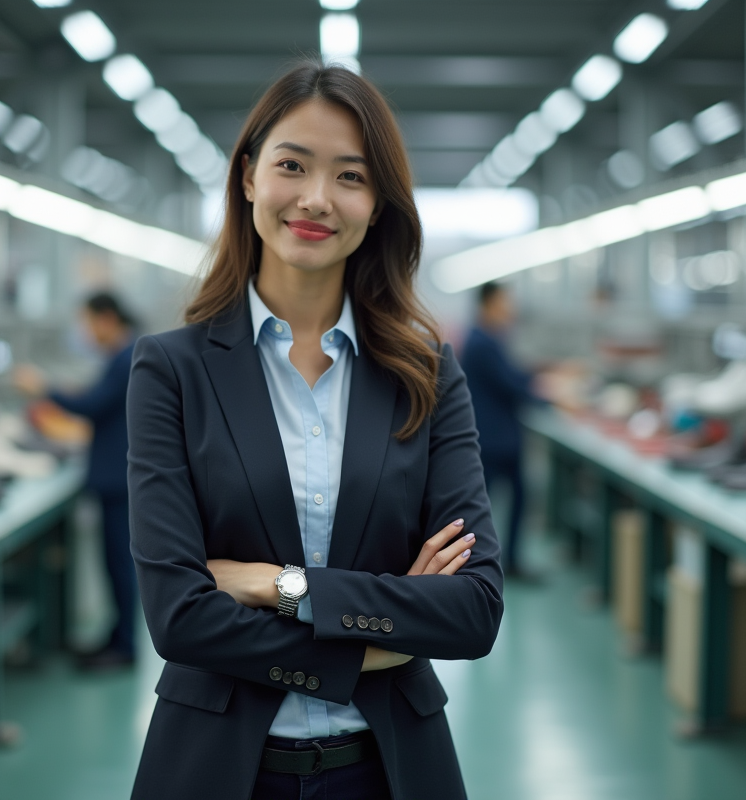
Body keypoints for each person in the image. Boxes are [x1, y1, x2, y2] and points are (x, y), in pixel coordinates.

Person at [125, 63, 503, 800]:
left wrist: (279, 587)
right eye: (291, 165)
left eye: (351, 177)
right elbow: (180, 618)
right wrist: (378, 642)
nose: (316, 199)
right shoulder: (171, 370)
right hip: (216, 768)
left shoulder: (425, 375)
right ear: (247, 179)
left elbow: (472, 610)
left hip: (391, 768)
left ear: (377, 206)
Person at [14, 292, 138, 671]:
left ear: (106, 318)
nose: (84, 332)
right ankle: (116, 639)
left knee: (120, 565)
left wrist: (44, 389)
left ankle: (124, 648)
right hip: (117, 478)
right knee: (114, 564)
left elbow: (93, 406)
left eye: (86, 322)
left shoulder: (126, 356)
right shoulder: (123, 355)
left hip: (119, 481)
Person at [460, 281, 537, 579]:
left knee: (512, 498)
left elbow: (513, 375)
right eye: (505, 301)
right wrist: (550, 394)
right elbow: (511, 383)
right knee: (483, 506)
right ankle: (478, 566)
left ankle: (505, 561)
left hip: (499, 438)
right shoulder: (482, 342)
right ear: (489, 304)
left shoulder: (488, 338)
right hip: (492, 441)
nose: (510, 308)